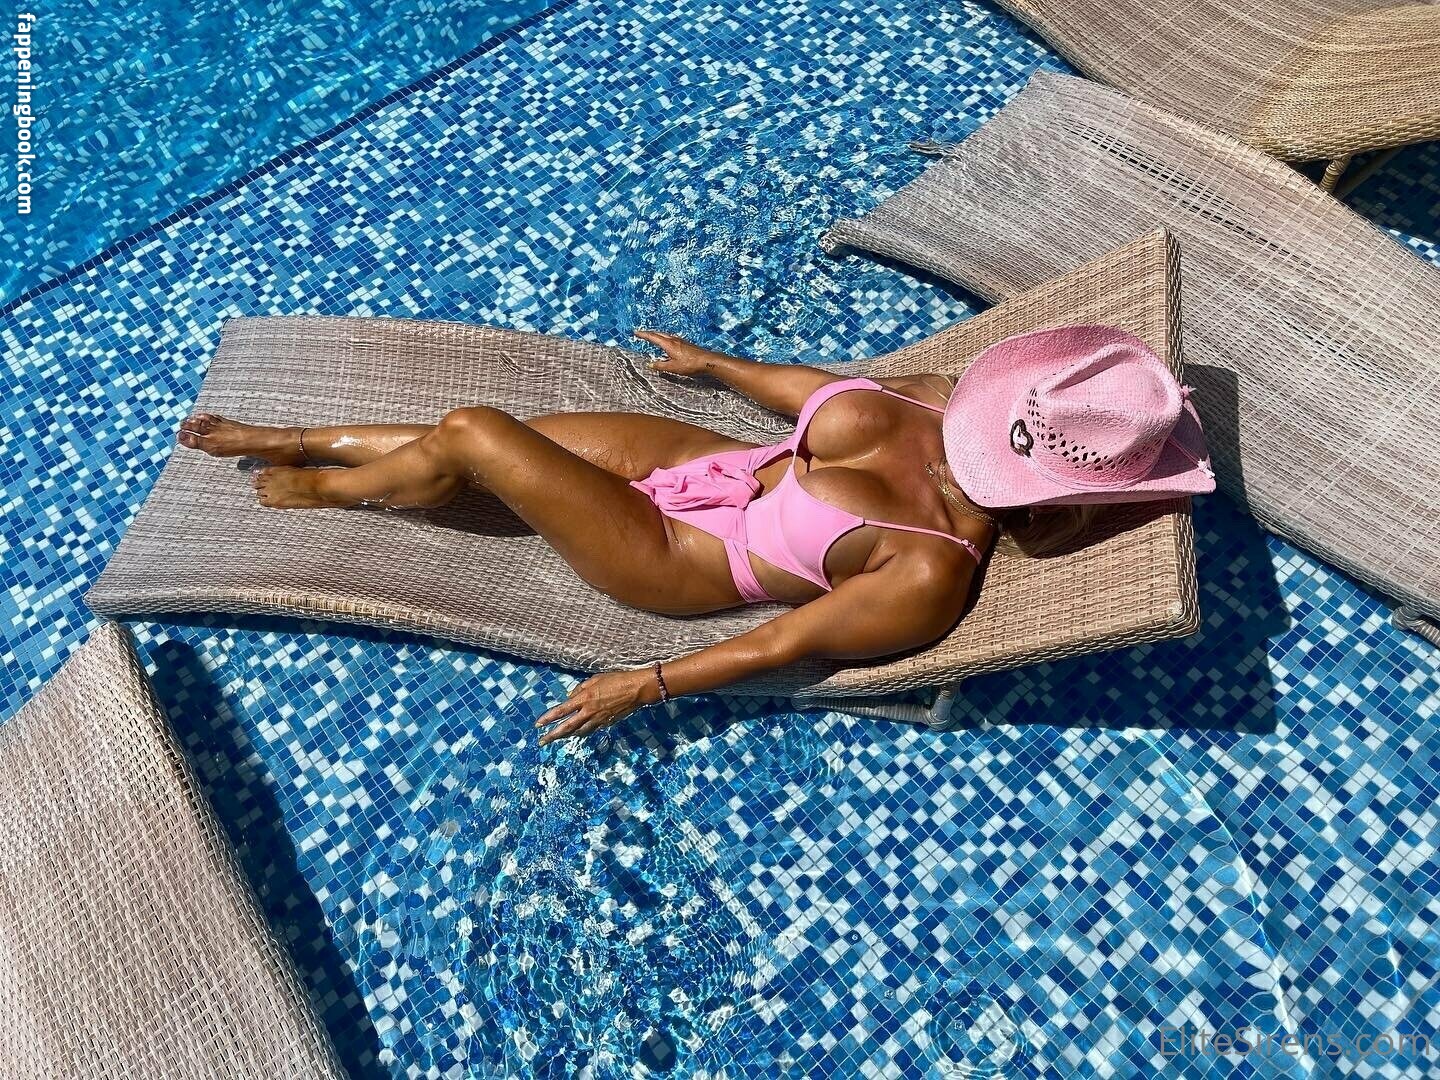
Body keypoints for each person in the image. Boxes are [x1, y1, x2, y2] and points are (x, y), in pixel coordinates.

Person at [177, 323, 1213, 744]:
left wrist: (648, 683)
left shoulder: (929, 572)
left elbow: (785, 643)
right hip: (705, 462)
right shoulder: (947, 398)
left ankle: (333, 489)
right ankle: (297, 438)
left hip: (676, 558)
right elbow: (817, 393)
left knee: (478, 433)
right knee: (490, 441)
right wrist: (717, 367)